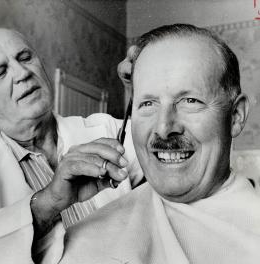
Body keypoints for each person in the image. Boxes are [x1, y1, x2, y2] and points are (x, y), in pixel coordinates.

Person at [0, 28, 143, 264]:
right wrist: (48, 203)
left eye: (25, 58)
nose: (22, 73)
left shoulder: (106, 129)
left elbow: (171, 146)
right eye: (0, 72)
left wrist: (146, 81)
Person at [57, 24, 260, 264]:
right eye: (148, 104)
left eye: (190, 100)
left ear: (235, 116)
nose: (164, 128)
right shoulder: (85, 240)